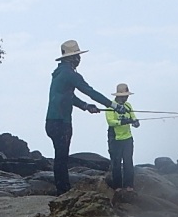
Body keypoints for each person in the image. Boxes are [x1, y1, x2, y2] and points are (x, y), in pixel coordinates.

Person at [45, 40, 127, 194]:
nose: (79, 60)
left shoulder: (58, 74)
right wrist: (114, 106)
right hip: (62, 122)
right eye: (77, 56)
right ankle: (63, 191)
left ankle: (61, 189)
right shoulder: (70, 74)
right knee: (62, 158)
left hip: (51, 121)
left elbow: (68, 97)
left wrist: (86, 106)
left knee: (60, 156)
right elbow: (90, 91)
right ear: (73, 58)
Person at [105, 82, 139, 190]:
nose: (127, 97)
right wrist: (123, 122)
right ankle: (117, 187)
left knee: (128, 162)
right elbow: (111, 122)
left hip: (127, 138)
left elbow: (133, 117)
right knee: (116, 163)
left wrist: (135, 123)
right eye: (126, 95)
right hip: (115, 139)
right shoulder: (110, 106)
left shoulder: (128, 106)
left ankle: (129, 186)